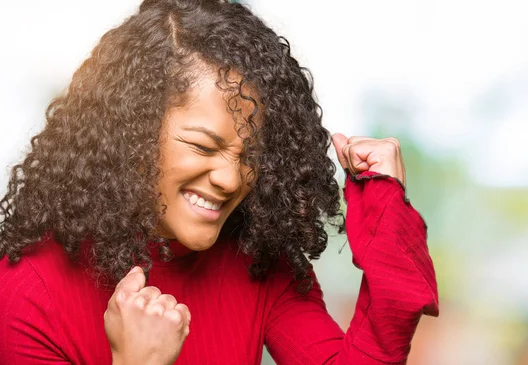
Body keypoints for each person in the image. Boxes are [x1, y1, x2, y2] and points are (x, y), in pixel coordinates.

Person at [0, 0, 439, 364]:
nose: (232, 179)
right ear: (130, 132)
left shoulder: (259, 264)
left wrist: (386, 209)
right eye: (204, 147)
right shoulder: (27, 292)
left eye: (250, 155)